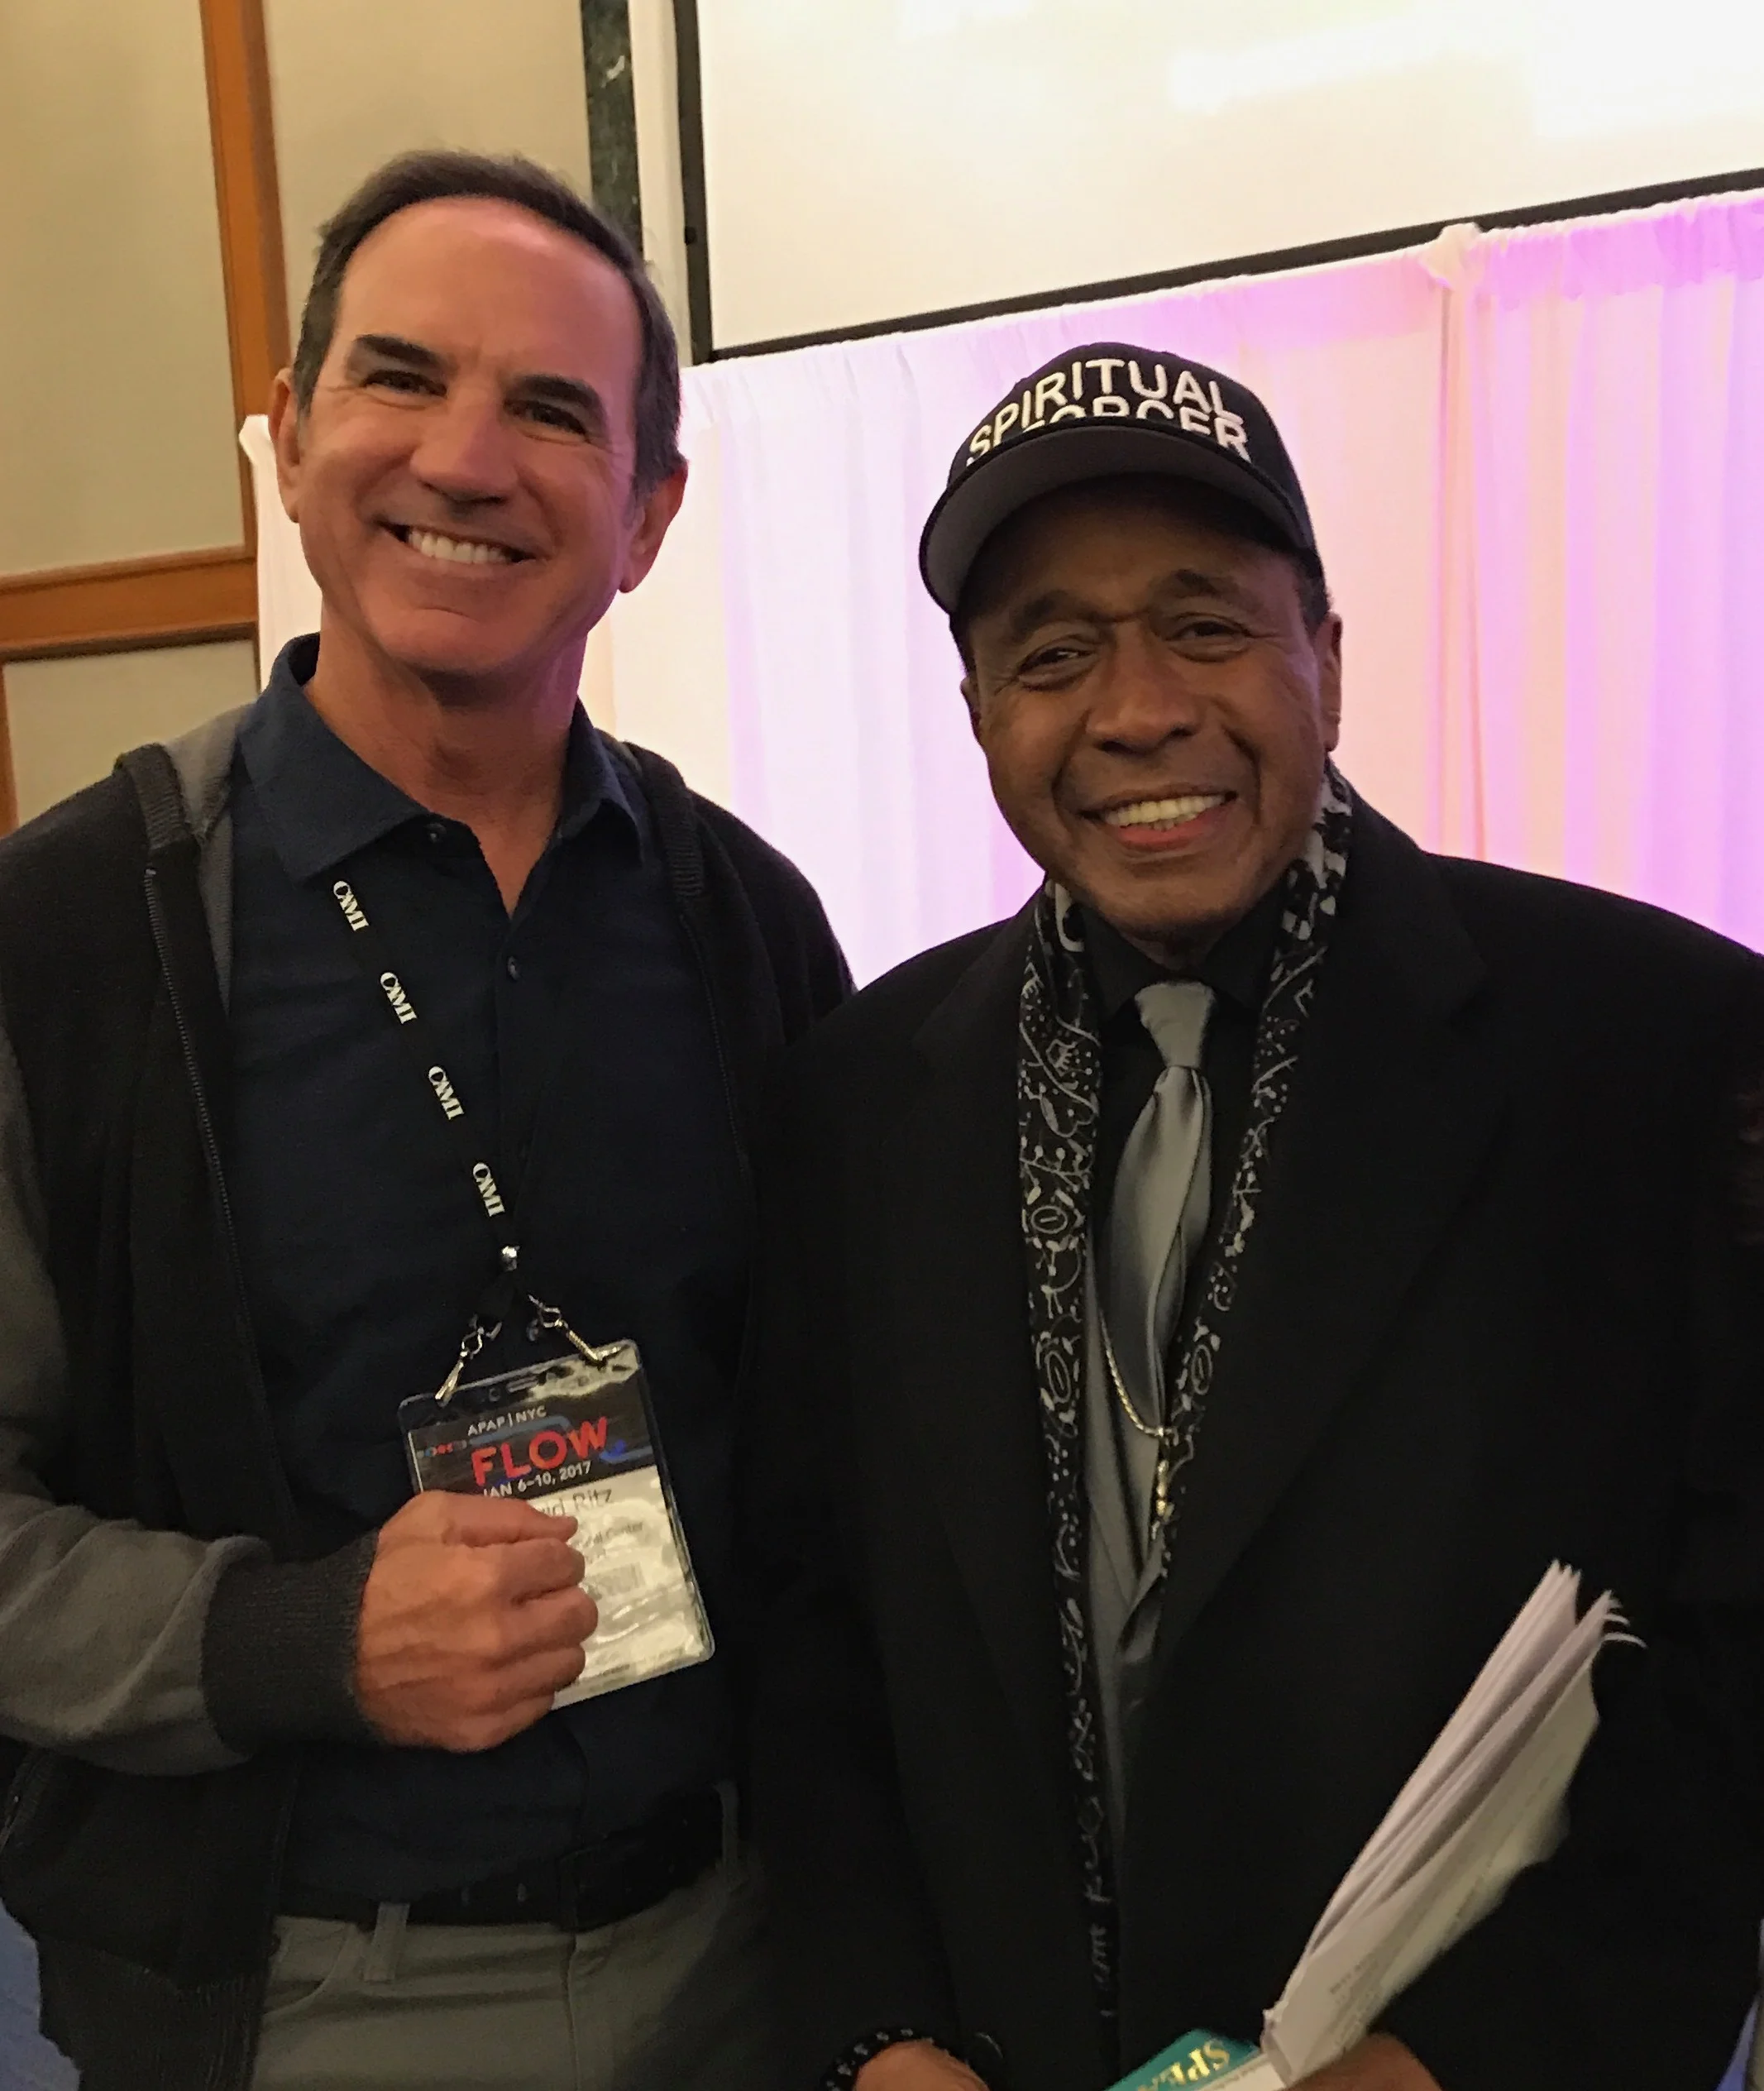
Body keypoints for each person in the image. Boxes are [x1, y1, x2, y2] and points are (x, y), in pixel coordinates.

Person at [746, 341, 1764, 2091]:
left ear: (1327, 660)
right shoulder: (860, 1097)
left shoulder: (1656, 1051)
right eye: (1051, 653)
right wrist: (882, 2034)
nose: (1137, 707)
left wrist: (1458, 2057)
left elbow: (1740, 1661)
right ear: (980, 716)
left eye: (1204, 624)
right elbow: (808, 1629)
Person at [0, 151, 847, 2091]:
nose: (466, 460)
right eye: (400, 379)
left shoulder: (749, 926)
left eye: (552, 409)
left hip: (741, 1960)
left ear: (646, 514)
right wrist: (298, 1641)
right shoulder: (69, 938)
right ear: (292, 443)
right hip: (303, 1998)